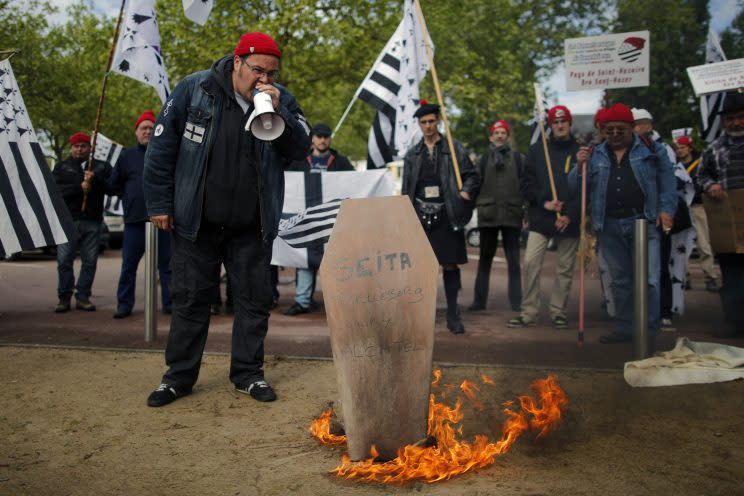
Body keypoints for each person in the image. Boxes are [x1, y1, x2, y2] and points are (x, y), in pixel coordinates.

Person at [142, 32, 310, 407]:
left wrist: (278, 110)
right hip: (196, 222)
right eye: (257, 71)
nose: (263, 80)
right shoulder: (194, 88)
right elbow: (161, 148)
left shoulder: (280, 98)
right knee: (190, 301)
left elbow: (301, 148)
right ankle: (178, 378)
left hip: (251, 225)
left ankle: (248, 375)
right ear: (237, 62)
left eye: (271, 73)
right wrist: (158, 203)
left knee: (253, 302)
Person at [575, 103, 676, 344]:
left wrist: (666, 210)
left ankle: (648, 331)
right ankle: (624, 329)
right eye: (609, 131)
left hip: (644, 222)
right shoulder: (595, 153)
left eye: (620, 130)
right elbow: (577, 188)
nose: (615, 135)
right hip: (609, 224)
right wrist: (580, 168)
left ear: (632, 128)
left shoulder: (653, 150)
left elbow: (668, 183)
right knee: (620, 281)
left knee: (649, 279)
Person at [402, 101, 479, 334]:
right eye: (423, 122)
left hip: (447, 213)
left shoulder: (454, 149)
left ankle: (454, 314)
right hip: (420, 214)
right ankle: (421, 315)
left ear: (439, 121)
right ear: (419, 124)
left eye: (431, 121)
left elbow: (473, 176)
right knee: (421, 267)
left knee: (449, 263)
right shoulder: (412, 154)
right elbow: (406, 187)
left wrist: (465, 191)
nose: (428, 126)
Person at [508, 105, 580, 329]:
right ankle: (529, 312)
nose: (559, 125)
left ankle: (558, 311)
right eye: (555, 122)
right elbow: (526, 184)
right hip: (541, 216)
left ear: (569, 123)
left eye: (563, 122)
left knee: (565, 267)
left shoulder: (580, 151)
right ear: (549, 125)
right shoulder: (538, 151)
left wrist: (569, 213)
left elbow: (586, 188)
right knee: (530, 262)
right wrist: (544, 201)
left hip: (568, 219)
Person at [283, 122, 354, 316]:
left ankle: (341, 301)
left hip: (333, 221)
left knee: (337, 261)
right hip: (306, 220)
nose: (322, 140)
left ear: (330, 138)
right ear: (312, 138)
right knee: (304, 260)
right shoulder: (299, 162)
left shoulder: (342, 162)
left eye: (325, 136)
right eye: (318, 136)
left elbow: (355, 185)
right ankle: (302, 301)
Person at [108, 111, 172, 319]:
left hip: (163, 221)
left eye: (152, 128)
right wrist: (129, 198)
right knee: (128, 266)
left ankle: (170, 304)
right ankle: (124, 305)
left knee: (167, 267)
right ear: (136, 132)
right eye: (143, 128)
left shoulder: (166, 153)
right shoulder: (126, 156)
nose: (148, 132)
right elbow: (113, 184)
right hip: (135, 221)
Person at [697, 91, 744, 338]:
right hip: (728, 221)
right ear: (724, 121)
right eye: (731, 119)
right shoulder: (714, 148)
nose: (736, 122)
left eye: (740, 117)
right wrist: (710, 186)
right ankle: (734, 321)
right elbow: (701, 176)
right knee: (731, 272)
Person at [469, 120, 524, 312]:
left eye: (503, 132)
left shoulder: (518, 159)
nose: (500, 135)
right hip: (489, 216)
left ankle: (517, 302)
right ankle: (479, 301)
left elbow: (525, 185)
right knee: (485, 260)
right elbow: (474, 184)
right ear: (491, 137)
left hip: (511, 215)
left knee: (514, 262)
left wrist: (527, 211)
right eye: (496, 133)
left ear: (507, 136)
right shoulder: (483, 160)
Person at [52, 132, 111, 313]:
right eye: (76, 146)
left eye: (83, 146)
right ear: (71, 148)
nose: (79, 149)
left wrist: (95, 181)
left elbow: (113, 187)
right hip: (68, 221)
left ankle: (83, 296)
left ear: (90, 148)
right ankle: (64, 297)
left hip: (92, 221)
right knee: (64, 261)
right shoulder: (62, 167)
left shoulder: (101, 167)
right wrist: (79, 187)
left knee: (90, 261)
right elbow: (55, 191)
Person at [677, 135, 719, 292]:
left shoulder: (699, 164)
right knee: (682, 244)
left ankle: (710, 277)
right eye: (678, 148)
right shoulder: (676, 165)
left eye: (682, 147)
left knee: (704, 243)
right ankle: (684, 277)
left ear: (690, 148)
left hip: (698, 206)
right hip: (682, 209)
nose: (680, 151)